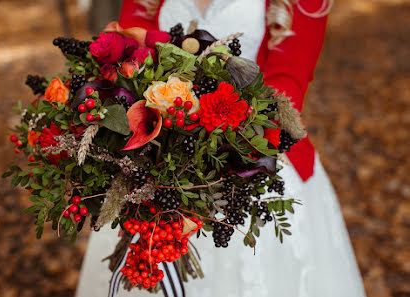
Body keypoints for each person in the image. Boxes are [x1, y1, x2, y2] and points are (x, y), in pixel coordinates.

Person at [76, 0, 366, 296]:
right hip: (155, 160)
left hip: (251, 157)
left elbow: (288, 82)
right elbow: (131, 55)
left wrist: (207, 149)